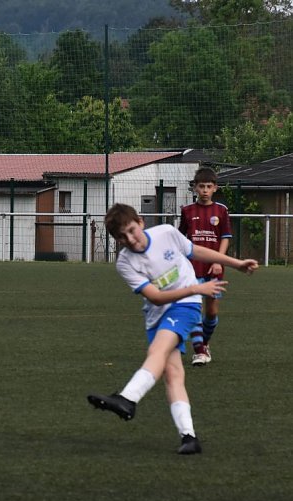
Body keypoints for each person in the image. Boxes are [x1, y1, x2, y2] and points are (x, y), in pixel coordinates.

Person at [87, 203, 257, 455]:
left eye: (132, 230)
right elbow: (155, 297)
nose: (130, 239)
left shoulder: (166, 232)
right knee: (173, 375)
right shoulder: (124, 263)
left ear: (141, 222)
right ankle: (189, 437)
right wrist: (196, 288)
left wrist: (235, 263)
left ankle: (128, 398)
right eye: (122, 237)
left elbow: (195, 250)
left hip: (186, 306)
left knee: (158, 349)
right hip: (158, 314)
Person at [178, 167, 232, 366]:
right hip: (192, 269)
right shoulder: (187, 211)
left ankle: (205, 343)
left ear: (215, 188)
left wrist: (219, 260)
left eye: (209, 186)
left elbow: (225, 238)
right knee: (194, 308)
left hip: (214, 269)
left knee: (211, 313)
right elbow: (180, 239)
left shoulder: (221, 211)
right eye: (201, 186)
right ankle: (199, 351)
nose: (205, 190)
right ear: (195, 188)